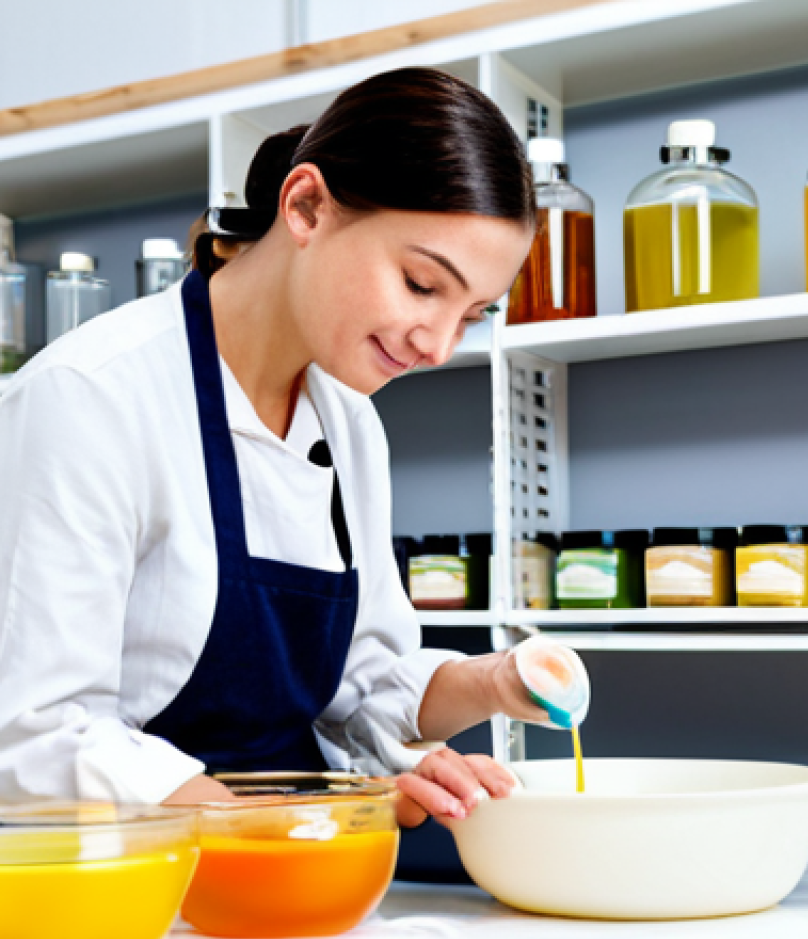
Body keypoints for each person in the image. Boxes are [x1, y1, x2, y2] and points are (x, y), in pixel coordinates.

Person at [0, 67, 553, 828]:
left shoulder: (349, 423)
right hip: (122, 896)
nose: (438, 346)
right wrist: (279, 828)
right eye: (423, 285)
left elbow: (360, 686)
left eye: (473, 314)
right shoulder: (90, 397)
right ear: (306, 207)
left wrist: (497, 682)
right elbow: (34, 732)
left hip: (290, 891)